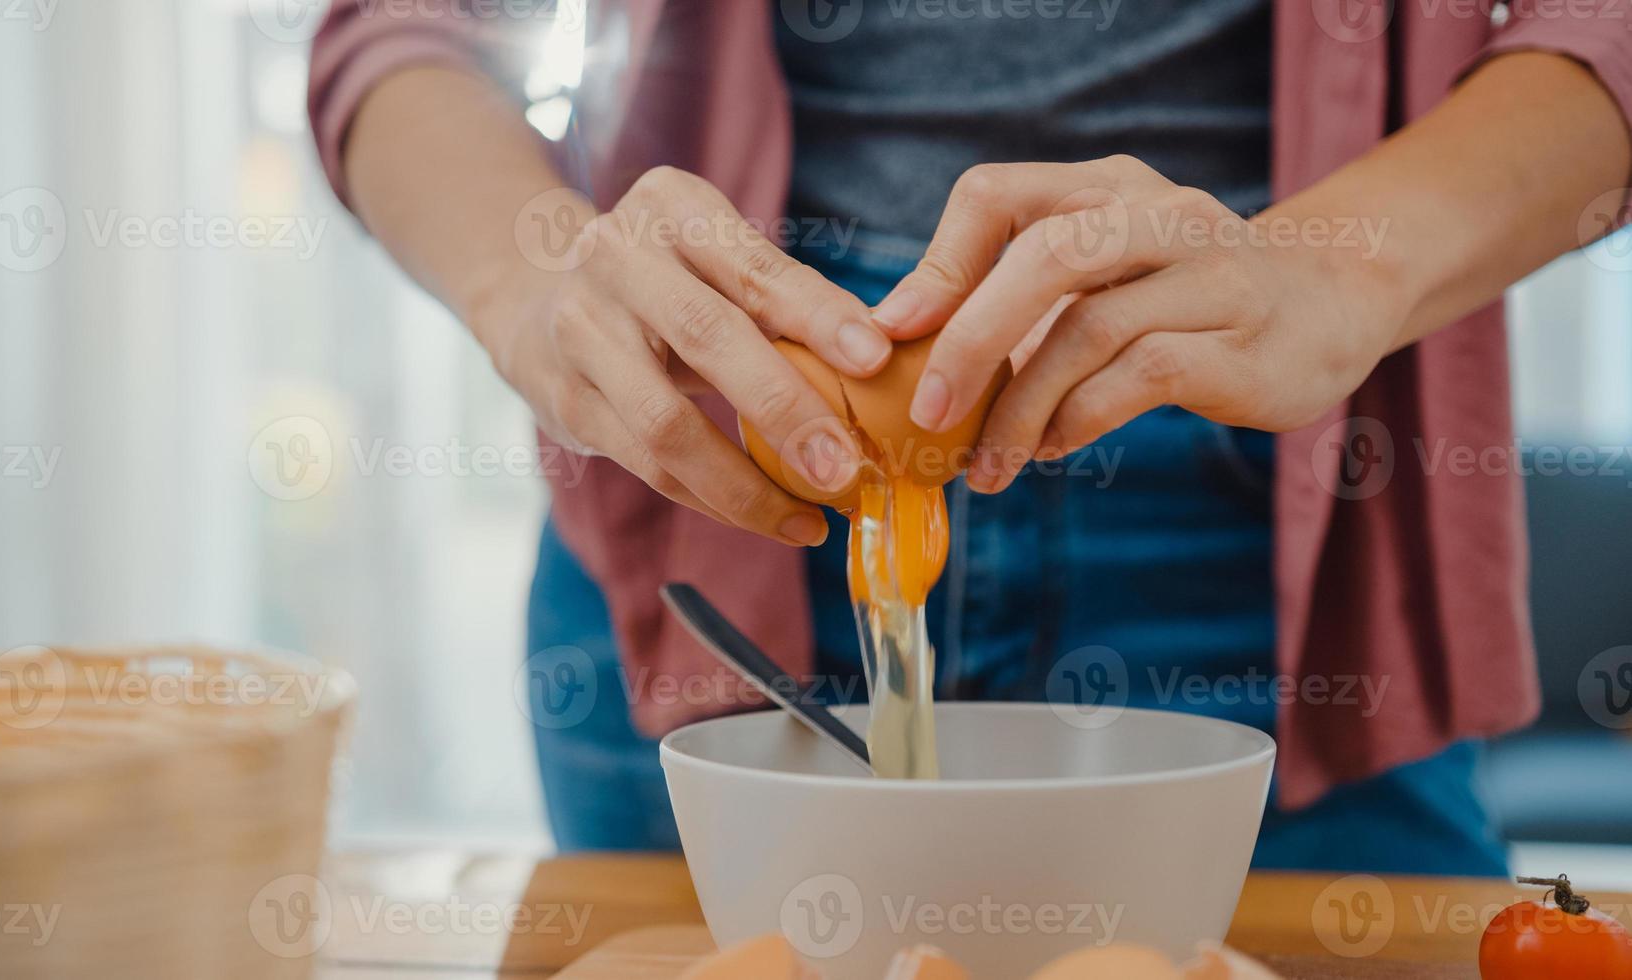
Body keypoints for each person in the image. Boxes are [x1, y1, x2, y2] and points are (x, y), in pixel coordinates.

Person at [309, 0, 1632, 873]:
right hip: (713, 501)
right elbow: (403, 29)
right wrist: (527, 282)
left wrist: (1342, 272)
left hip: (1283, 524)